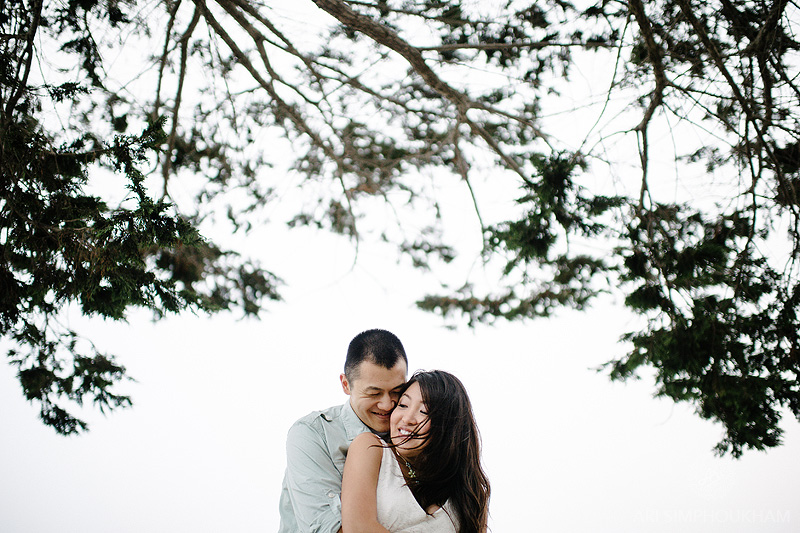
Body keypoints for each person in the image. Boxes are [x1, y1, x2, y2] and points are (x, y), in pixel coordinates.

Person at [278, 329, 408, 533]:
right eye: (374, 393)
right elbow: (326, 528)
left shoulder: (411, 434)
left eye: (396, 392)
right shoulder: (312, 434)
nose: (386, 404)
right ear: (346, 384)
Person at [340, 370, 490, 533]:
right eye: (403, 405)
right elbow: (358, 528)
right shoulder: (370, 448)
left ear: (447, 426)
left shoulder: (470, 489)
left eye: (424, 411)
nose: (407, 418)